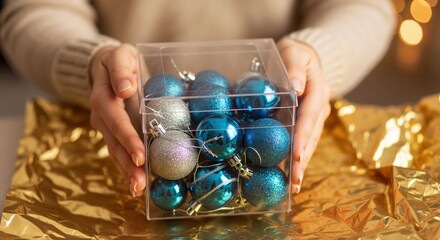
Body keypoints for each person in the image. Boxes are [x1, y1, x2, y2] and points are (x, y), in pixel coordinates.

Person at [0, 1, 396, 197]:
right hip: (134, 130)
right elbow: (33, 11)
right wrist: (91, 60)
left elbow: (366, 6)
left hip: (273, 115)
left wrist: (318, 54)